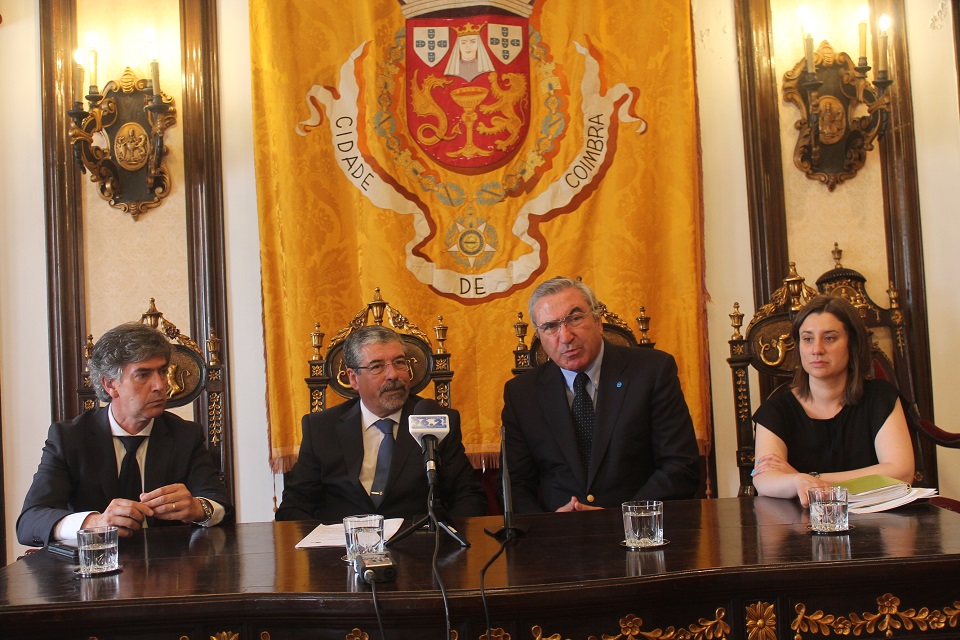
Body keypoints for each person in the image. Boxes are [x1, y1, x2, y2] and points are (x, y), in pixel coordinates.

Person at [17, 323, 232, 547]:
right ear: (110, 385)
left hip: (170, 570)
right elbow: (30, 522)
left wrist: (199, 508)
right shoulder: (69, 438)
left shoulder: (185, 435)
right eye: (143, 375)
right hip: (94, 570)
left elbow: (222, 508)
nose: (161, 385)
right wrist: (94, 522)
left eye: (162, 371)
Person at [501, 277, 700, 513]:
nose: (565, 337)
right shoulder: (522, 393)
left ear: (598, 321)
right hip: (559, 537)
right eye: (550, 326)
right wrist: (546, 527)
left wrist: (625, 517)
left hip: (639, 532)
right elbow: (514, 484)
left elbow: (679, 466)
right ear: (539, 335)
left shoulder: (653, 372)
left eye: (575, 319)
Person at [276, 325, 487, 523]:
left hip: (420, 550)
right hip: (342, 553)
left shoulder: (436, 420)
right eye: (377, 366)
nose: (393, 375)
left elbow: (468, 497)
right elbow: (295, 507)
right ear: (353, 378)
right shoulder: (321, 428)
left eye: (400, 362)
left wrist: (444, 543)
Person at [752, 294, 915, 505]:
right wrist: (797, 480)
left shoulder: (880, 397)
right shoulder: (776, 409)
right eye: (808, 339)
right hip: (801, 526)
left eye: (829, 338)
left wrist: (809, 479)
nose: (817, 349)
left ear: (852, 344)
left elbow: (901, 473)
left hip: (878, 524)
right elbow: (764, 479)